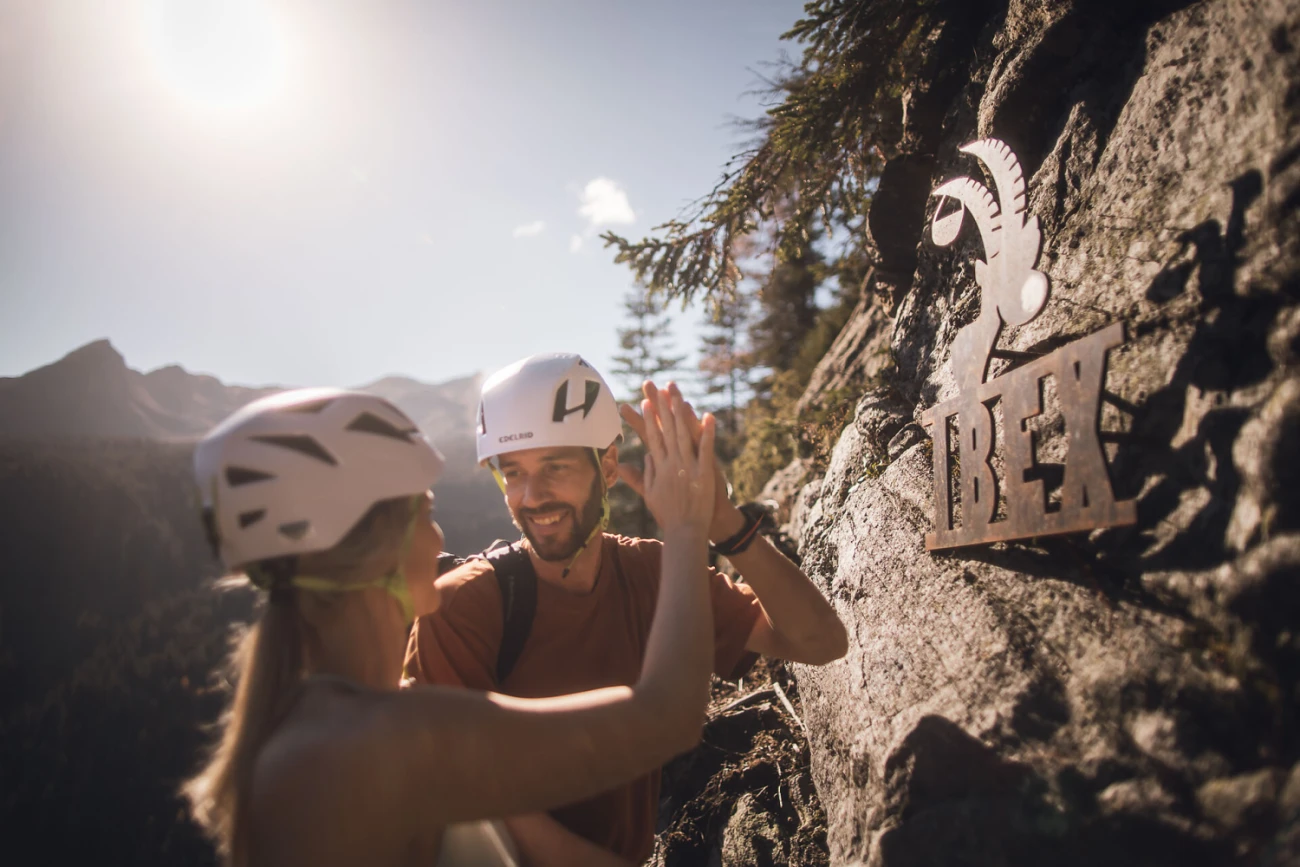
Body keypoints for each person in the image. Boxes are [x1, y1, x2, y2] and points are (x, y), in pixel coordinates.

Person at [183, 385, 722, 867]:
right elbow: (667, 718)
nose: (441, 540)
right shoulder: (377, 741)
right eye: (426, 512)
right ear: (383, 548)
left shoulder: (332, 726)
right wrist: (685, 527)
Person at [405, 353, 849, 866]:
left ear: (608, 467)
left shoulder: (651, 572)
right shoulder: (460, 607)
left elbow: (819, 641)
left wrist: (724, 522)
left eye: (555, 467)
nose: (532, 496)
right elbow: (479, 804)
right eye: (513, 473)